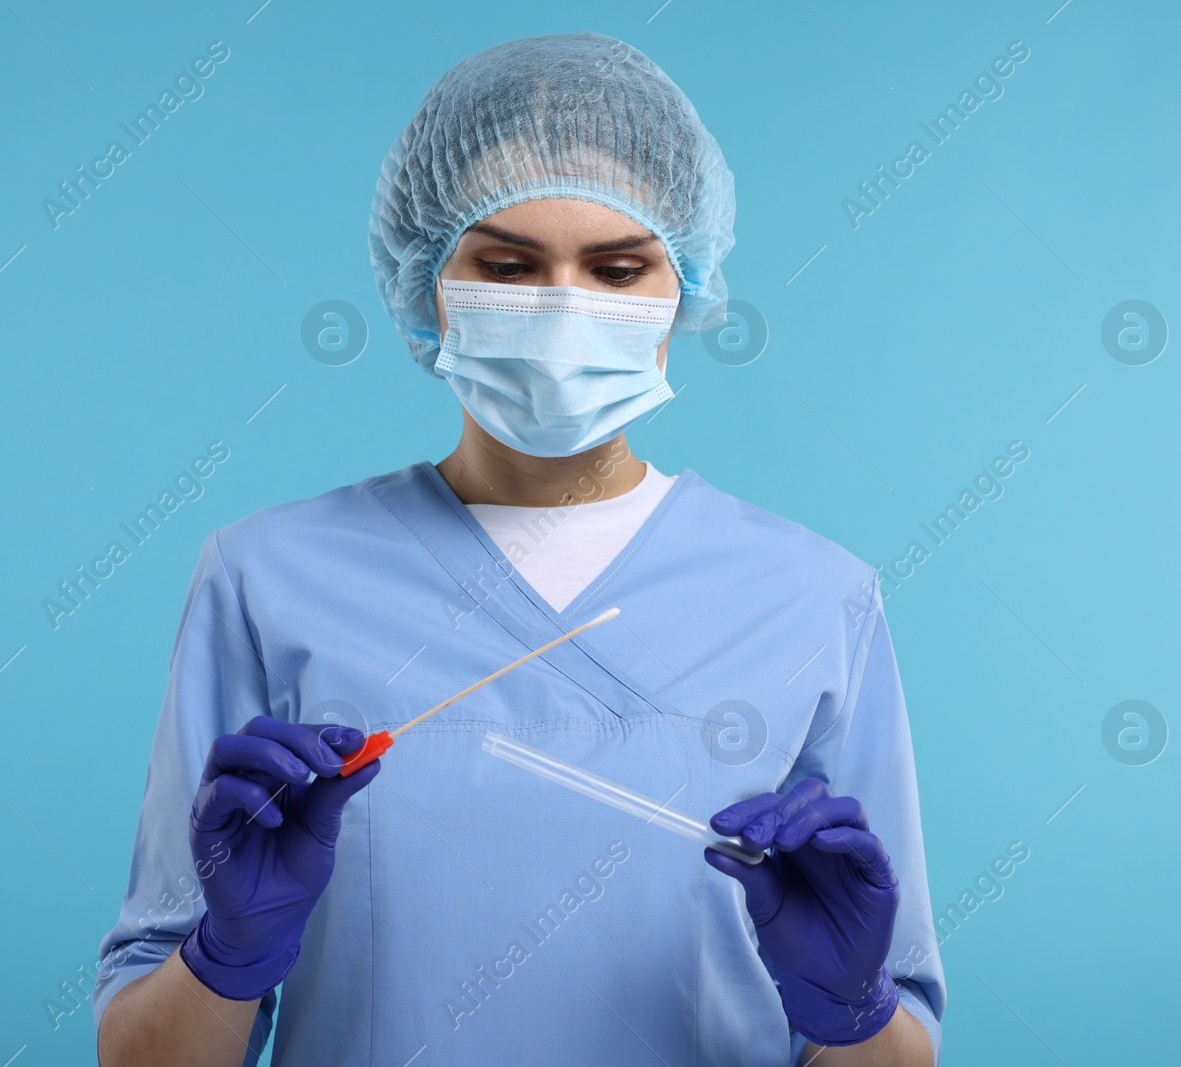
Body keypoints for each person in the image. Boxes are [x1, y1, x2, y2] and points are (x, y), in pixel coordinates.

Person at [94, 31, 945, 1066]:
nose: (561, 307)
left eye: (617, 267)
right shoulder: (267, 578)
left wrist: (850, 1010)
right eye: (505, 264)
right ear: (424, 282)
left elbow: (898, 1049)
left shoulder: (816, 598)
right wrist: (229, 951)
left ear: (685, 287)